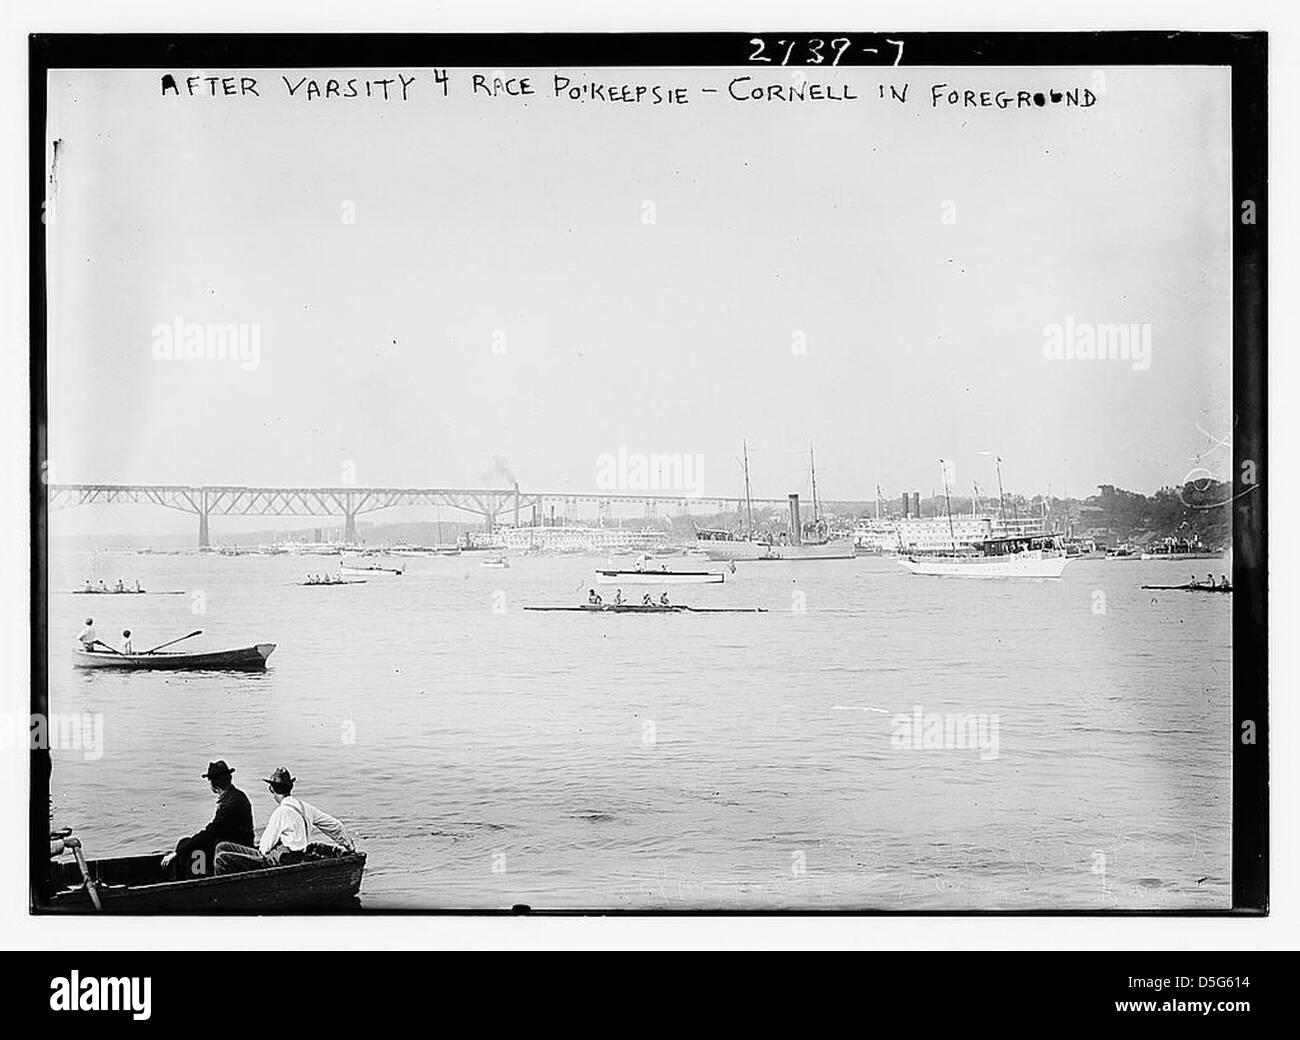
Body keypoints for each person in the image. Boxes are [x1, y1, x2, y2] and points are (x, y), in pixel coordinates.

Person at [213, 767, 354, 875]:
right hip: (296, 855)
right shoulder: (306, 807)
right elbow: (335, 826)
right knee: (222, 846)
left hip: (280, 860)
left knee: (222, 858)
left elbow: (264, 848)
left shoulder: (280, 813)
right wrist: (350, 848)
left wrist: (260, 851)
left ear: (271, 789)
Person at [161, 761, 255, 879]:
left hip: (236, 846)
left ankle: (196, 879)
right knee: (185, 843)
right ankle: (183, 879)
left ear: (213, 784)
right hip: (229, 841)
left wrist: (177, 852)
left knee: (195, 850)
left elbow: (211, 832)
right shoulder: (233, 796)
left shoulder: (231, 803)